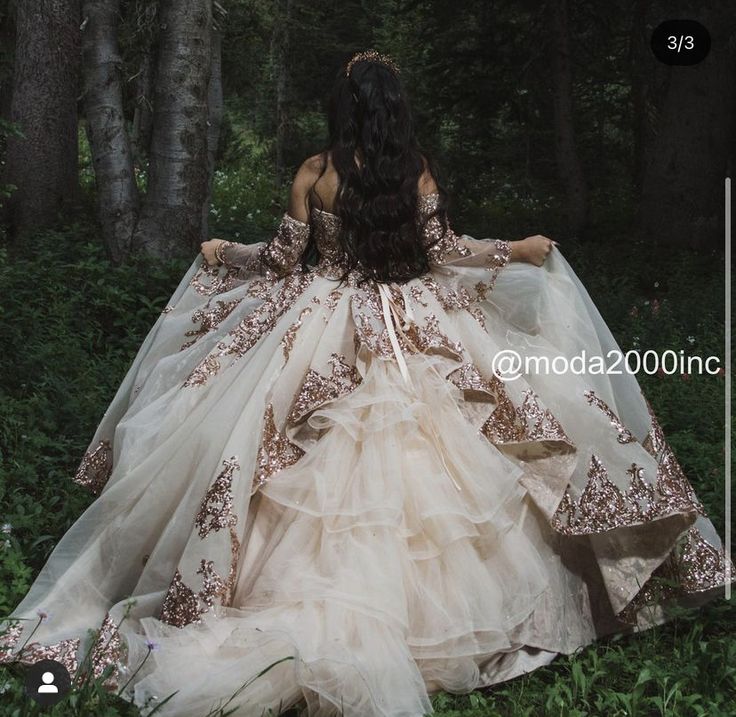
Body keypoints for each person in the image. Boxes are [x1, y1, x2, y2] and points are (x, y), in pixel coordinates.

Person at [0, 49, 732, 717]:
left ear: (344, 110)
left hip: (321, 323)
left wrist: (227, 253)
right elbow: (446, 251)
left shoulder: (316, 170)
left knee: (267, 446)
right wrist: (517, 247)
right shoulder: (412, 168)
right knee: (476, 448)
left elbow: (285, 261)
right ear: (394, 112)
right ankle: (446, 622)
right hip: (415, 316)